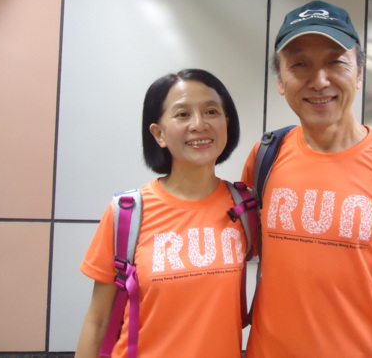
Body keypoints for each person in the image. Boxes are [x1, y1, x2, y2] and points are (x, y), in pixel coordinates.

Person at [241, 0, 372, 357]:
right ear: (281, 81)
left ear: (360, 73)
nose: (319, 81)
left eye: (335, 62)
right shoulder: (264, 158)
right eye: (299, 65)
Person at [76, 69, 248, 358]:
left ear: (226, 123)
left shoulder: (244, 208)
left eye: (211, 111)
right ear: (158, 134)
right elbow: (98, 320)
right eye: (182, 114)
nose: (199, 124)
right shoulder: (127, 213)